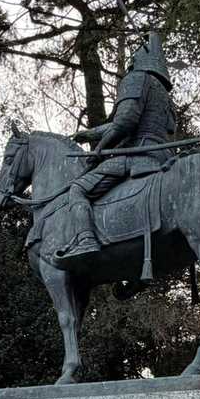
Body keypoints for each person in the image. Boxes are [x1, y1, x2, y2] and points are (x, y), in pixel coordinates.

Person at [54, 33, 177, 261]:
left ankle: (86, 240)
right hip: (163, 157)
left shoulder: (136, 78)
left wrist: (98, 151)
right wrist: (91, 133)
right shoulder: (165, 96)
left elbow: (125, 123)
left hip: (136, 156)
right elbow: (139, 124)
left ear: (137, 61)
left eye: (133, 59)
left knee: (78, 189)